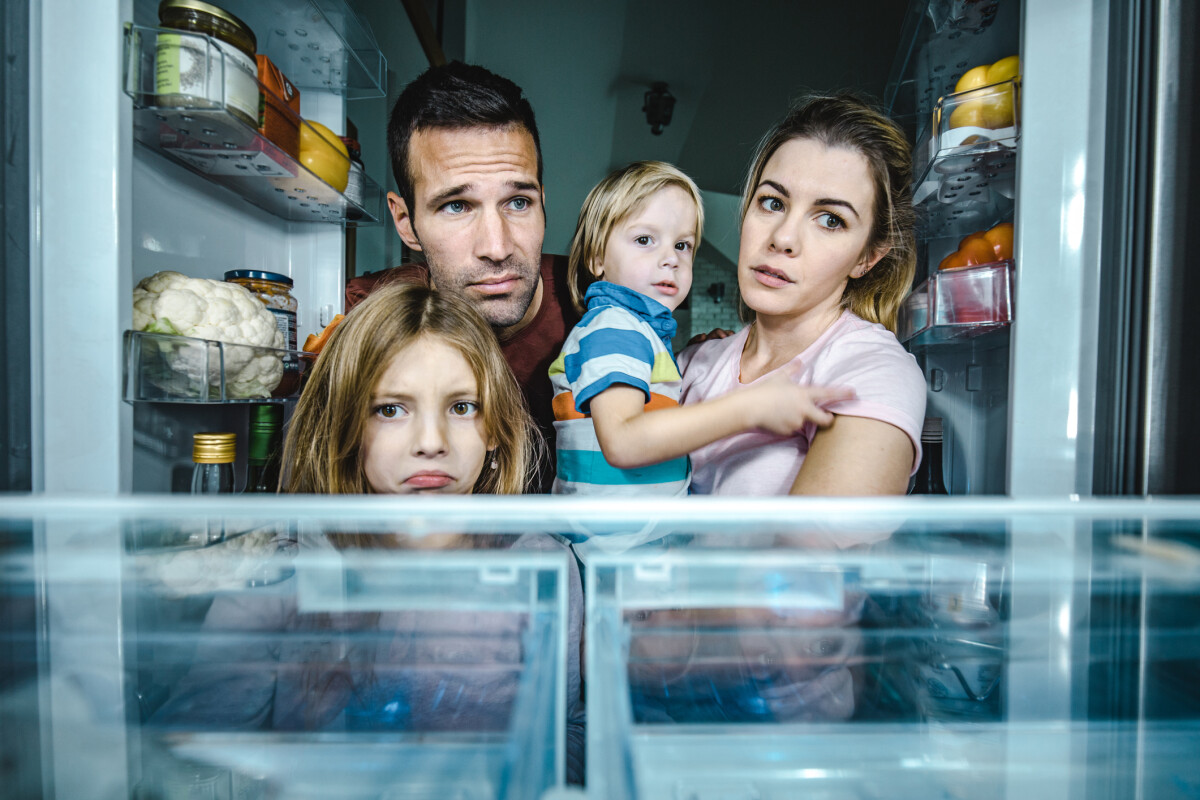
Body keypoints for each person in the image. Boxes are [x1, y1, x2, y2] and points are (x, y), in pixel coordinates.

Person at [153, 284, 585, 784]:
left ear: (494, 430)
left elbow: (566, 733)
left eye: (462, 407)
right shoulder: (279, 573)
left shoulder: (542, 564)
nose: (431, 443)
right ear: (346, 426)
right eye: (390, 409)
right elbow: (199, 751)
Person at [550, 161, 851, 556]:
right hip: (617, 553)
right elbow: (623, 440)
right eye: (644, 240)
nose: (670, 258)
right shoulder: (614, 330)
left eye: (682, 245)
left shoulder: (631, 333)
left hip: (625, 546)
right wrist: (748, 408)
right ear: (596, 258)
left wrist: (690, 350)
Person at [678, 94, 926, 508]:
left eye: (831, 220)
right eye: (772, 202)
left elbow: (813, 562)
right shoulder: (693, 364)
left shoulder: (871, 371)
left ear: (867, 258)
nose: (783, 238)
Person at [345, 61, 578, 492]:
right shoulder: (365, 316)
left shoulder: (593, 299)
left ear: (544, 202)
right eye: (457, 206)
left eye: (518, 202)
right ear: (405, 221)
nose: (497, 246)